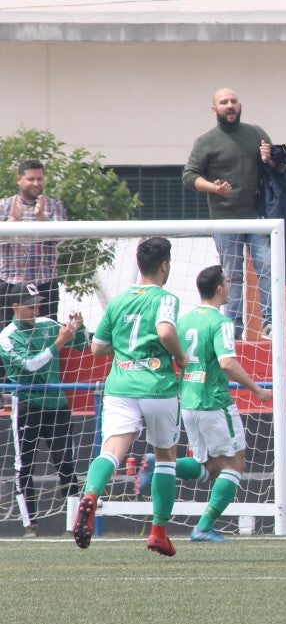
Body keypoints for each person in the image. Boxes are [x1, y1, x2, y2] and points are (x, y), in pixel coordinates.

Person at [74, 237, 187, 556]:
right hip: (157, 386)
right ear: (164, 265)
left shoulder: (119, 301)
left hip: (120, 386)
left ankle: (91, 494)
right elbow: (165, 331)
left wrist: (126, 348)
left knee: (111, 451)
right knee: (165, 458)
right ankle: (159, 533)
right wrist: (181, 357)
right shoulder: (165, 298)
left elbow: (97, 348)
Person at [177, 265, 273, 542]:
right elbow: (227, 363)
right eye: (227, 283)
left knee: (208, 467)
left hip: (189, 401)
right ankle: (203, 527)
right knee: (235, 465)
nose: (230, 287)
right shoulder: (221, 323)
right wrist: (257, 389)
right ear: (219, 288)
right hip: (214, 402)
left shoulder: (184, 321)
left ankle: (158, 464)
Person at [182, 87, 278, 338]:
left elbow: (278, 166)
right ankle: (234, 328)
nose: (230, 105)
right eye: (224, 102)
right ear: (214, 109)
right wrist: (213, 188)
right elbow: (189, 176)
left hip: (257, 218)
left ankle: (271, 322)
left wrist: (270, 158)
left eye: (233, 101)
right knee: (232, 275)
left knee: (268, 267)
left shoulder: (256, 133)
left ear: (240, 106)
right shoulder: (206, 141)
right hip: (224, 220)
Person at [0, 287, 87, 537]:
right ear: (15, 307)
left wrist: (78, 327)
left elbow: (82, 345)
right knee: (24, 466)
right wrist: (60, 342)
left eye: (38, 304)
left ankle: (73, 525)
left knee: (66, 464)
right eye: (31, 306)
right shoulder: (7, 337)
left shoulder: (48, 324)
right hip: (26, 405)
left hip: (57, 405)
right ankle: (30, 525)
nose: (36, 309)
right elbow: (30, 365)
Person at [0, 160, 67, 320]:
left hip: (44, 282)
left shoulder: (54, 205)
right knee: (4, 330)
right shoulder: (4, 205)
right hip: (9, 281)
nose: (36, 183)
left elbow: (61, 238)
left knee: (46, 329)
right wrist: (13, 220)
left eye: (40, 179)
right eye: (31, 179)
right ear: (19, 179)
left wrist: (41, 216)